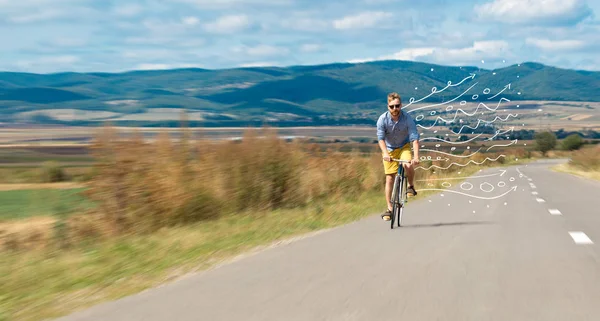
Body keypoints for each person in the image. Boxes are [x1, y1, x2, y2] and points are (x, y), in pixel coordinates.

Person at [377, 92, 420, 221]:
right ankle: (389, 208)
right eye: (392, 106)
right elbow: (380, 139)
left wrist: (416, 156)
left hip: (403, 147)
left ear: (401, 105)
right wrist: (385, 153)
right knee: (389, 178)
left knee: (408, 164)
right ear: (388, 107)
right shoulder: (382, 120)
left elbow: (415, 138)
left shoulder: (407, 119)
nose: (395, 109)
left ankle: (410, 186)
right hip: (389, 149)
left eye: (397, 106)